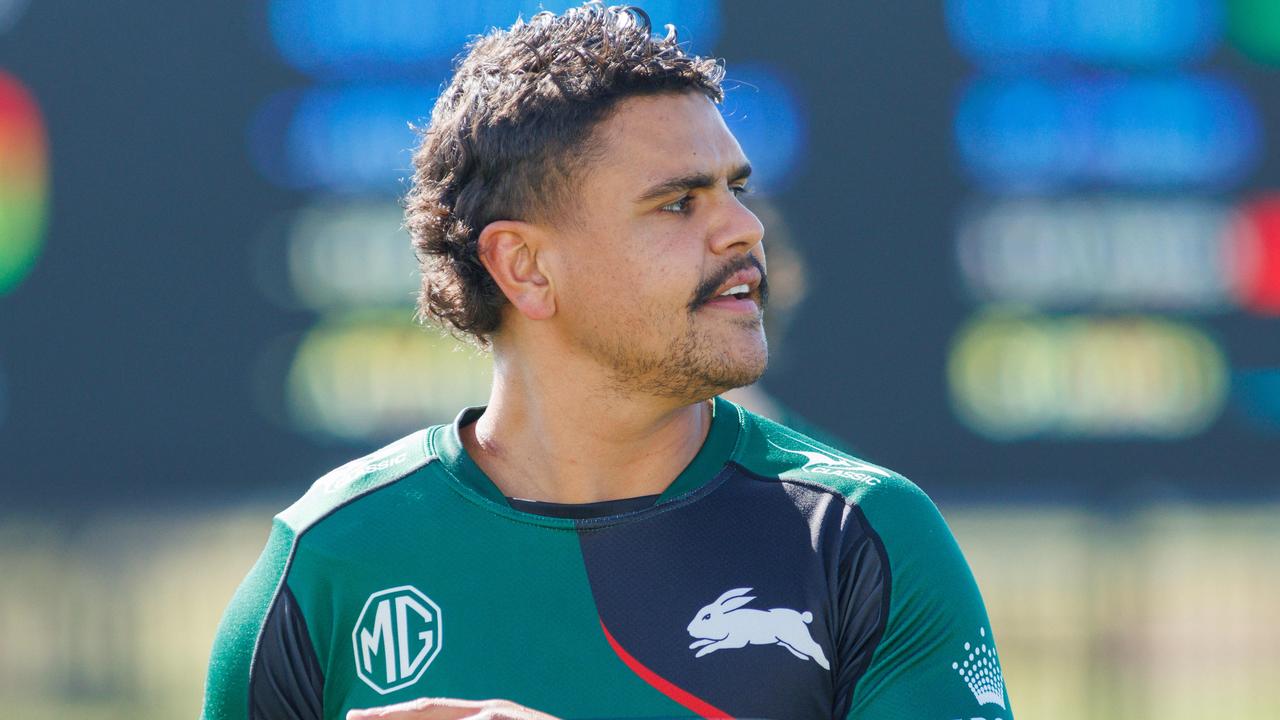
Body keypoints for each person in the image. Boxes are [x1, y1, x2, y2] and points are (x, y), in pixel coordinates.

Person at [201, 4, 1013, 720]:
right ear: (524, 267)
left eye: (738, 189)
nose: (744, 231)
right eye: (678, 203)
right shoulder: (329, 560)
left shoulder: (862, 535)